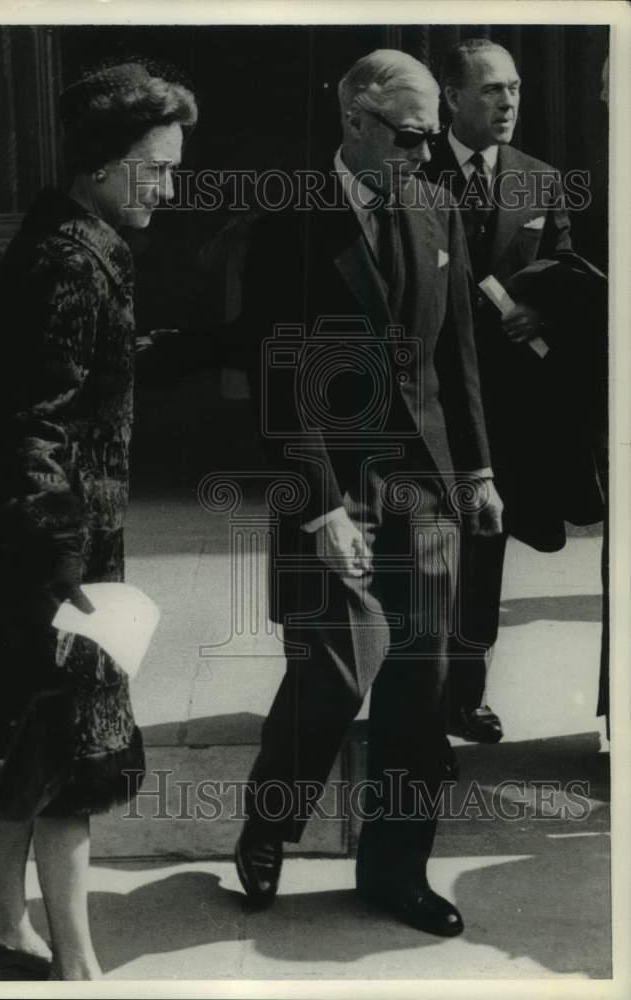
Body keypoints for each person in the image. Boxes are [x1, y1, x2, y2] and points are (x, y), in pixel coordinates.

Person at [0, 60, 198, 981]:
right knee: (70, 763)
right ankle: (80, 967)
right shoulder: (70, 258)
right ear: (102, 163)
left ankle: (5, 926)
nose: (168, 186)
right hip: (48, 552)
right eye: (156, 167)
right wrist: (63, 573)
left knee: (27, 745)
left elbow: (59, 383)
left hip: (32, 543)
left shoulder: (71, 241)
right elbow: (31, 425)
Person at [234, 49, 502, 938]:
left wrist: (477, 471)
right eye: (414, 136)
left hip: (420, 484)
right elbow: (276, 375)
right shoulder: (290, 222)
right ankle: (269, 821)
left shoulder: (435, 207)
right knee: (331, 673)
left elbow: (455, 351)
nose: (428, 156)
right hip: (328, 482)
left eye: (432, 138)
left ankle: (395, 870)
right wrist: (318, 508)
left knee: (418, 690)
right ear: (355, 121)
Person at [423, 38, 605, 744]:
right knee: (426, 558)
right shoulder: (414, 171)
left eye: (515, 89)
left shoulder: (538, 179)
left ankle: (465, 697)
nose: (506, 103)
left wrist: (546, 310)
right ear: (452, 97)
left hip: (506, 409)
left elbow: (564, 268)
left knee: (483, 552)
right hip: (432, 403)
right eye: (490, 90)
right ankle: (416, 702)